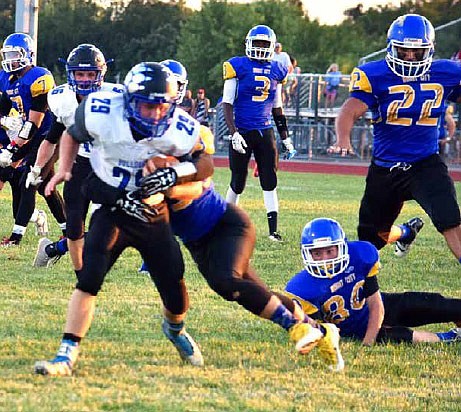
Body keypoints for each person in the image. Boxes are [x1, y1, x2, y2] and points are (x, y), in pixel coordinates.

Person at [34, 62, 210, 376]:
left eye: (161, 106)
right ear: (128, 101)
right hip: (112, 208)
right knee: (88, 279)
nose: (154, 114)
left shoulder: (180, 127)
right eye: (146, 105)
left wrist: (175, 173)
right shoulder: (102, 110)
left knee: (175, 291)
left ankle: (175, 331)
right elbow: (73, 135)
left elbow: (203, 164)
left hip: (152, 212)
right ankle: (66, 354)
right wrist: (63, 168)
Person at [141, 154, 344, 371]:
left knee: (227, 283)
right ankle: (322, 332)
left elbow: (199, 182)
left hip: (227, 226)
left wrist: (166, 186)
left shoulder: (179, 144)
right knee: (257, 295)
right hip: (198, 243)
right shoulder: (132, 161)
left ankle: (297, 327)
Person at [331, 14, 461, 263]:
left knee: (449, 217)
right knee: (373, 239)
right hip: (386, 168)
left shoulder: (446, 72)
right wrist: (343, 138)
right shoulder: (375, 74)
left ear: (429, 50)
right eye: (404, 50)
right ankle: (405, 232)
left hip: (425, 163)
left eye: (417, 51)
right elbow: (350, 109)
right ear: (392, 48)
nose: (410, 57)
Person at [285, 218, 461, 345]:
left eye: (330, 251)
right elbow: (321, 333)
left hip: (377, 306)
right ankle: (450, 338)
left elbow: (376, 304)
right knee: (401, 336)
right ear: (307, 254)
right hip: (353, 329)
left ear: (342, 247)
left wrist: (369, 340)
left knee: (427, 303)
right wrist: (367, 341)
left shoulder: (361, 255)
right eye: (317, 253)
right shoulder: (302, 289)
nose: (325, 259)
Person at [29, 44, 123, 271]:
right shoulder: (63, 99)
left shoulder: (117, 98)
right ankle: (80, 273)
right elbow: (51, 139)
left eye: (90, 74)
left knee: (115, 228)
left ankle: (53, 249)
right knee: (74, 226)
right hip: (79, 165)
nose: (84, 79)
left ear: (101, 74)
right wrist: (37, 168)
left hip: (110, 166)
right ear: (70, 73)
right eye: (79, 74)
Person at [222, 24, 296, 242]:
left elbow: (277, 107)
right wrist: (233, 132)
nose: (261, 47)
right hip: (242, 130)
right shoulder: (237, 66)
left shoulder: (277, 69)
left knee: (270, 180)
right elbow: (227, 103)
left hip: (265, 131)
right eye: (257, 43)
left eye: (265, 44)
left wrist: (286, 138)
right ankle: (225, 225)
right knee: (238, 181)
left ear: (272, 46)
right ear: (248, 44)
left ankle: (273, 231)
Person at [0, 32, 67, 246]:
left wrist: (11, 148)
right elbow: (2, 108)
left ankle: (16, 238)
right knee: (46, 186)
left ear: (28, 55)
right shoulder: (6, 78)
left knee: (29, 179)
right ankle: (70, 230)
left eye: (14, 55)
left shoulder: (39, 77)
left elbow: (33, 124)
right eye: (7, 55)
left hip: (50, 136)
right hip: (28, 136)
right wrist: (4, 120)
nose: (10, 60)